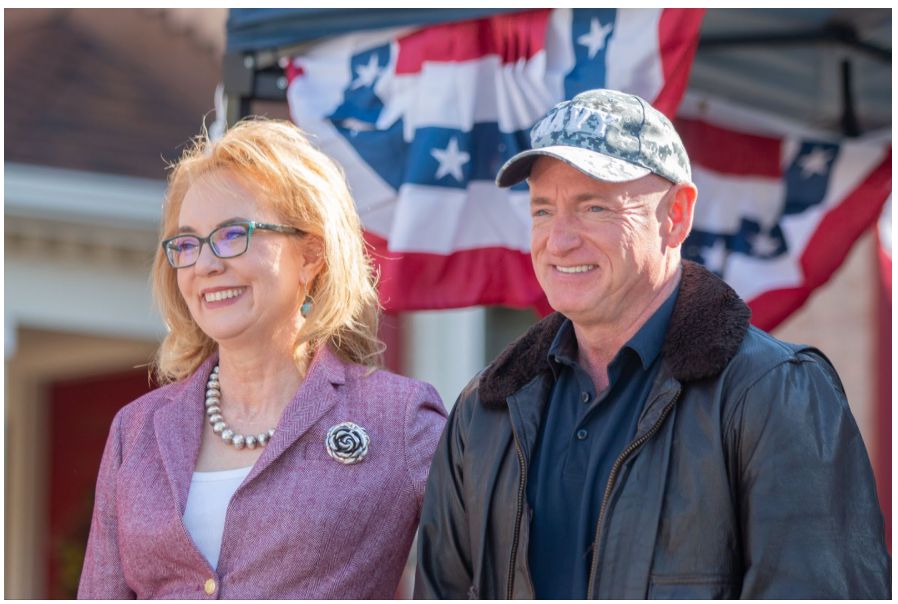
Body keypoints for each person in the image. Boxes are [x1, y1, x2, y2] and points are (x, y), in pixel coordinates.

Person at [414, 89, 890, 599]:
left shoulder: (774, 393)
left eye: (594, 207)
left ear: (677, 216)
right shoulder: (486, 409)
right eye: (543, 211)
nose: (559, 240)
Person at [78, 119, 447, 599]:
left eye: (233, 234)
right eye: (187, 244)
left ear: (311, 254)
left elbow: (479, 579)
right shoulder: (137, 432)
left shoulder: (400, 420)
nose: (206, 265)